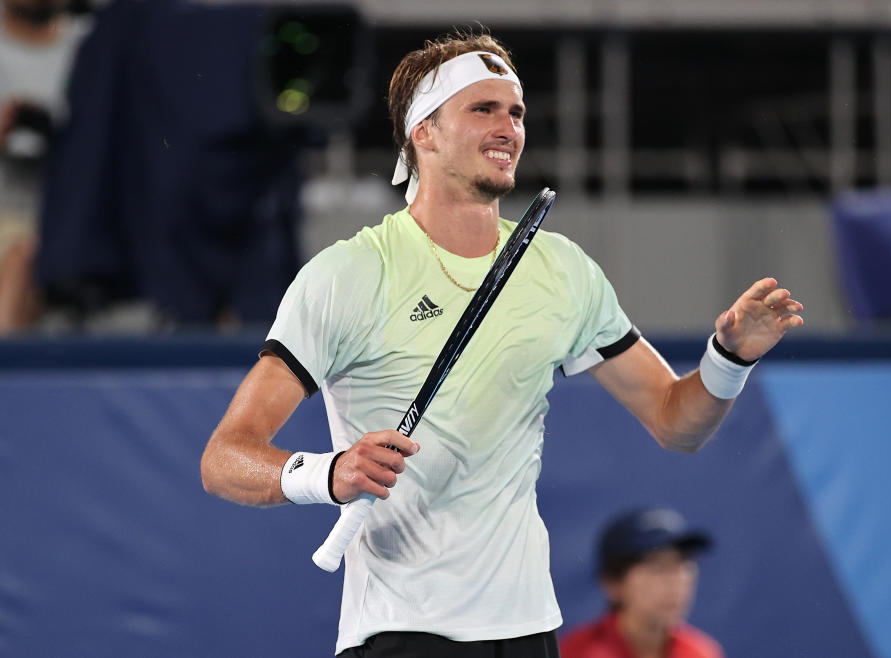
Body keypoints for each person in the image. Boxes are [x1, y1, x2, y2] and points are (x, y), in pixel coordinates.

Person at [200, 29, 804, 658]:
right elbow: (225, 458)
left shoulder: (564, 272)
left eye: (515, 111)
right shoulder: (347, 275)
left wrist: (729, 359)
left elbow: (678, 422)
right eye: (482, 109)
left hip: (527, 631)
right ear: (424, 133)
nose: (508, 127)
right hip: (403, 632)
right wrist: (327, 473)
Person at [0, 0, 89, 332]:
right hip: (6, 207)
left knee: (24, 256)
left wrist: (66, 136)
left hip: (64, 220)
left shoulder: (91, 43)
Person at [561, 507, 723, 658]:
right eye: (658, 567)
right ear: (613, 583)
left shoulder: (701, 652)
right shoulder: (576, 653)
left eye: (683, 563)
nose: (676, 581)